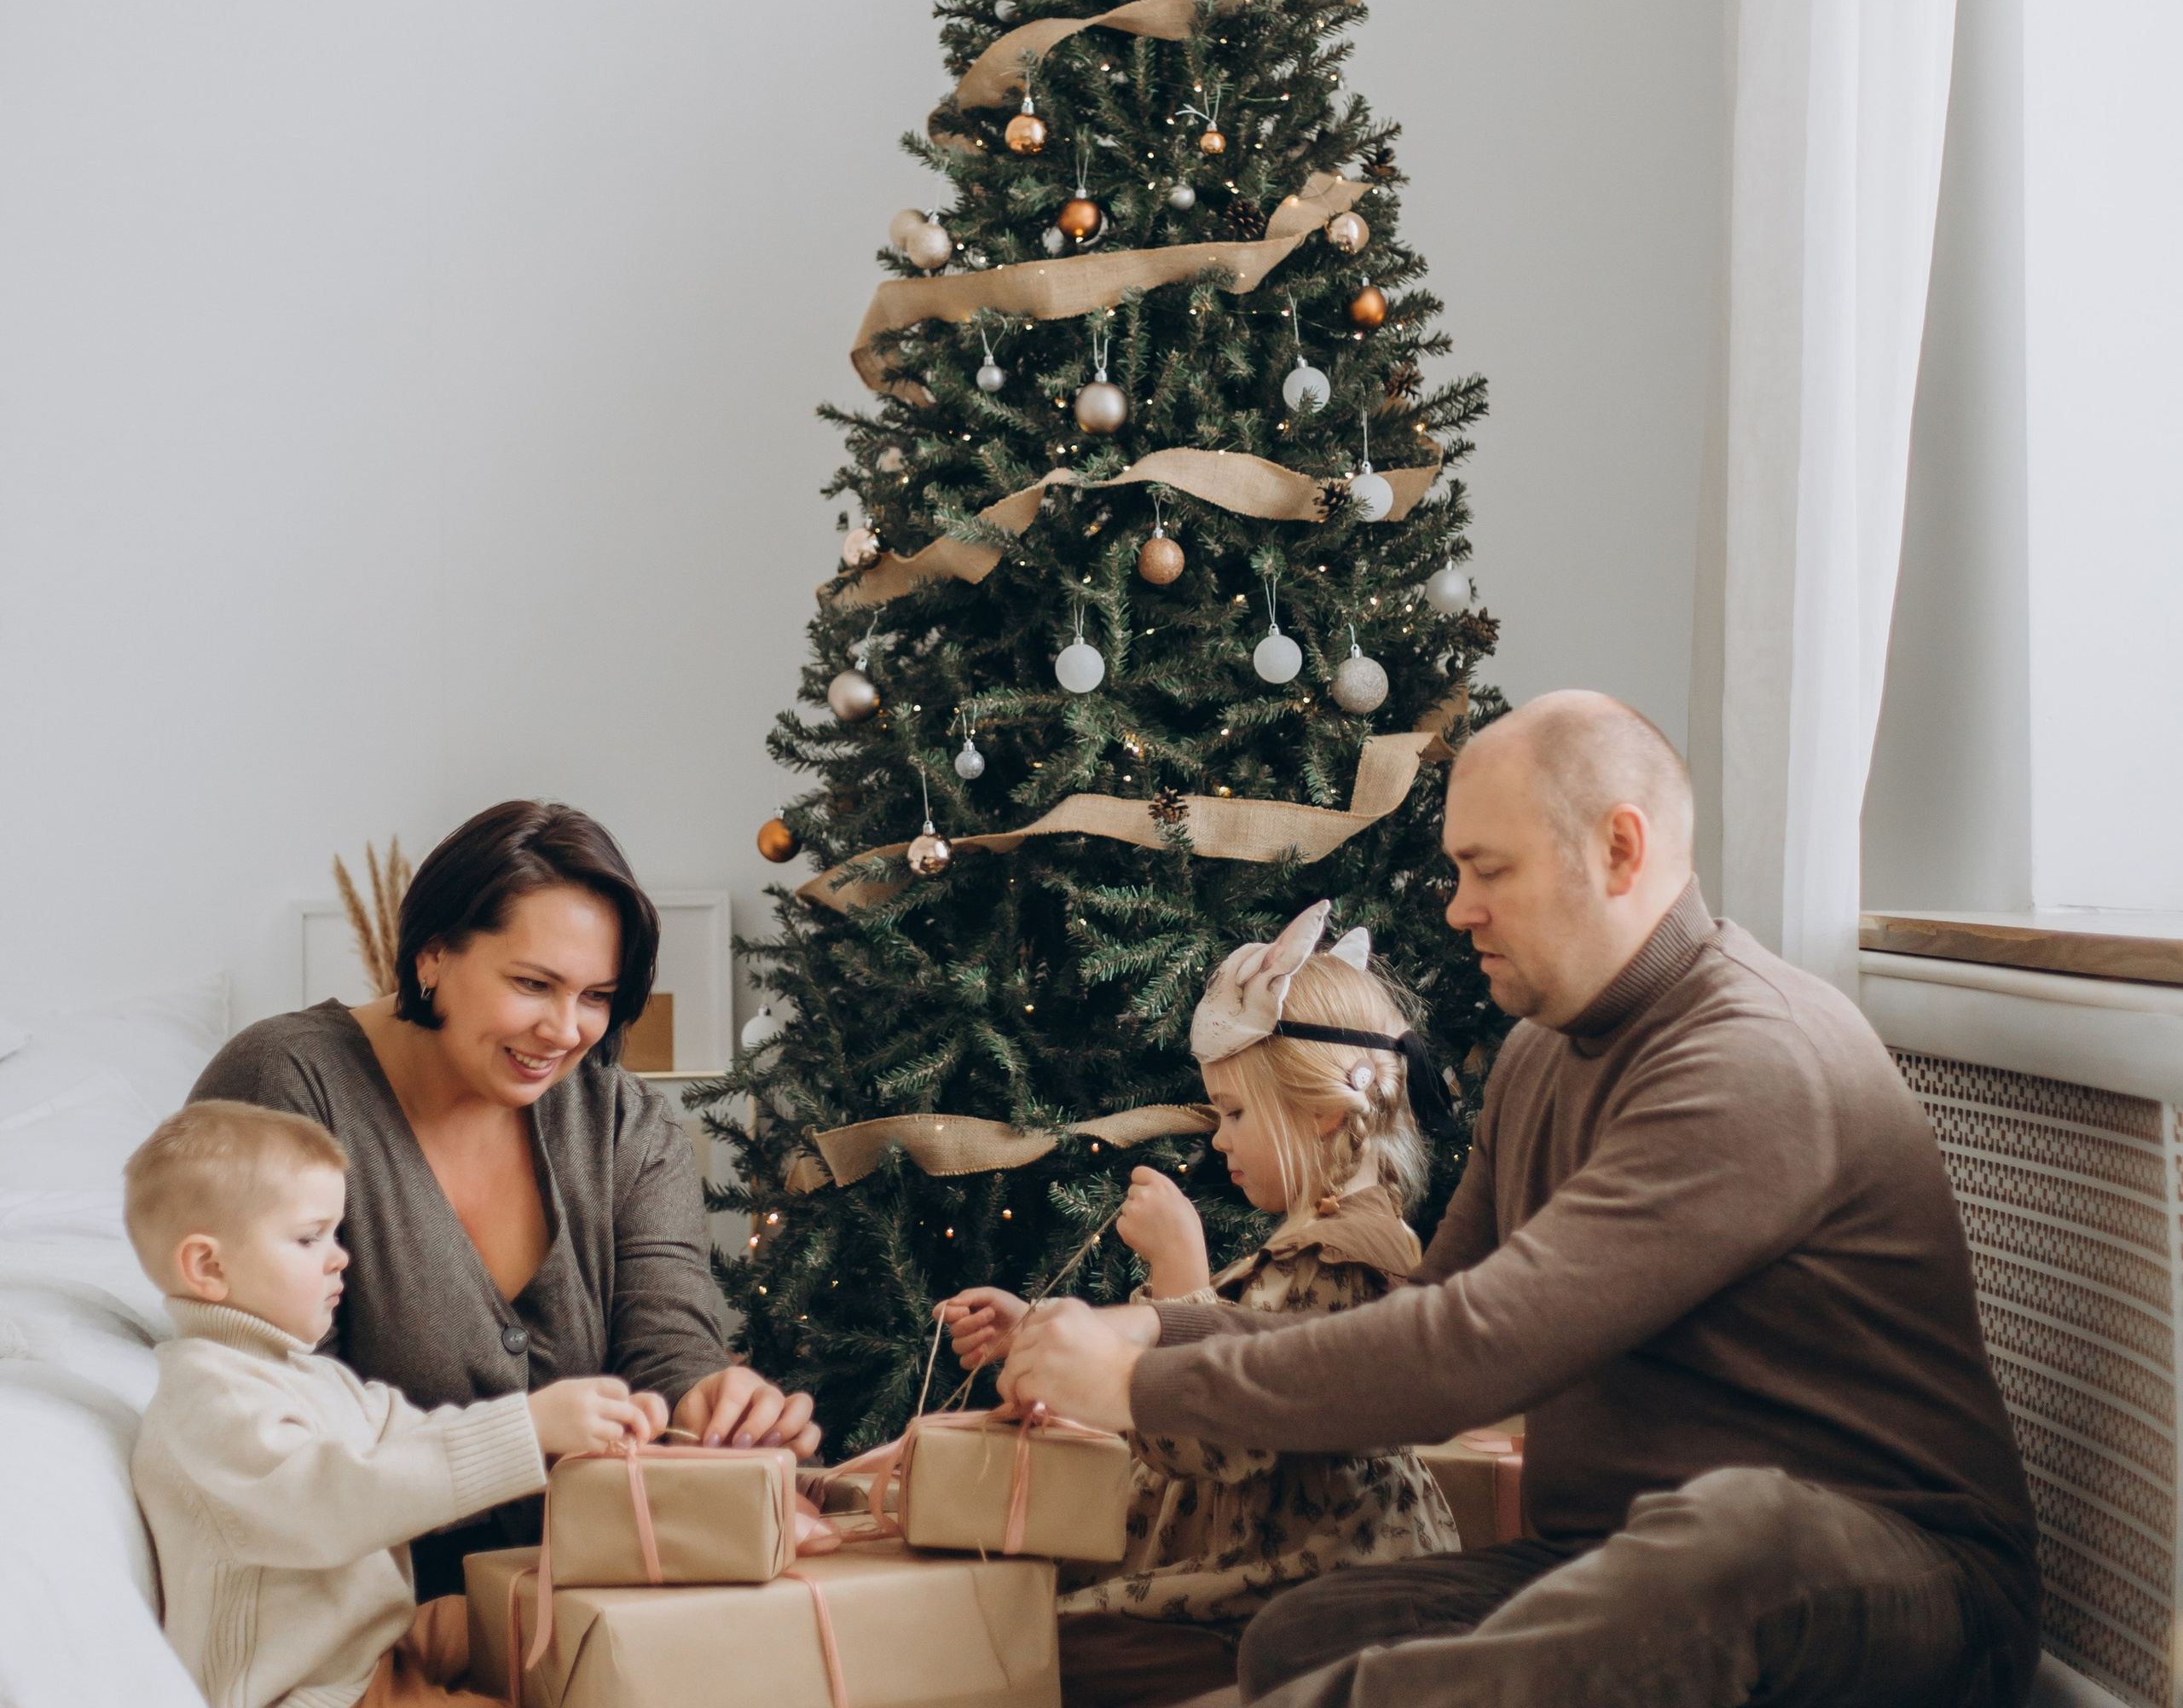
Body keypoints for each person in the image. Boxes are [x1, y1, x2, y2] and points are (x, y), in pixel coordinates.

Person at [996, 691, 2040, 1708]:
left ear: (1620, 851)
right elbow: (1411, 1320)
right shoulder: (1540, 1056)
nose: (1457, 908)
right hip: (1609, 1558)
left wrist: (1136, 1385)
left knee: (1735, 1538)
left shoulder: (1750, 1058)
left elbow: (1472, 1351)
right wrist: (1153, 1324)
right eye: (1456, 870)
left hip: (1888, 1583)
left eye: (1487, 870)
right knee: (1307, 1632)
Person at [191, 800, 819, 1597]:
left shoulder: (627, 1123)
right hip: (364, 1624)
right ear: (432, 957)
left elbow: (666, 1351)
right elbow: (268, 1421)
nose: (564, 1030)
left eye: (597, 996)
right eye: (533, 983)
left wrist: (714, 1399)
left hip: (597, 1607)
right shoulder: (282, 1086)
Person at [942, 911, 1461, 1708]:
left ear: (1326, 1111)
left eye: (1237, 1113)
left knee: (1034, 1648)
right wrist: (1041, 1335)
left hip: (1288, 1587)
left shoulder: (1345, 1256)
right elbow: (1198, 1346)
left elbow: (1231, 1436)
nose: (1219, 1138)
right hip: (1251, 1568)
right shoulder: (1319, 1239)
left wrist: (1180, 1268)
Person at [125, 1099, 670, 1708]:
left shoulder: (310, 1377)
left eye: (336, 1232)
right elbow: (336, 1502)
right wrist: (527, 1429)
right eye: (310, 1238)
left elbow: (417, 1441)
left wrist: (562, 1433)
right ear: (208, 1265)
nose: (340, 1255)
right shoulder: (209, 1400)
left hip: (381, 1644)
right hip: (317, 1690)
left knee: (565, 1626)